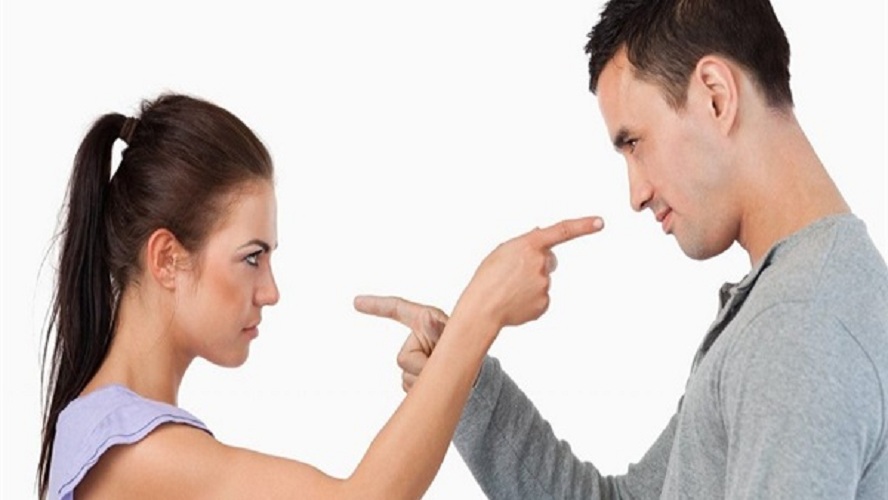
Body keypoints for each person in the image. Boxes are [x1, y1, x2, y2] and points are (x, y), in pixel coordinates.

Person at [355, 0, 888, 498]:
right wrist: (461, 377)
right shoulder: (800, 302)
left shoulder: (798, 322)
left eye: (634, 143)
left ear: (715, 96)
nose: (636, 194)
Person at [37, 92, 604, 499]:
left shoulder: (109, 432)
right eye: (251, 257)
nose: (270, 291)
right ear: (166, 258)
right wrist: (481, 312)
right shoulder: (129, 451)